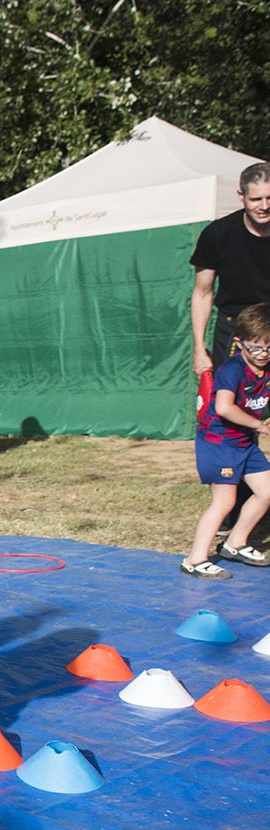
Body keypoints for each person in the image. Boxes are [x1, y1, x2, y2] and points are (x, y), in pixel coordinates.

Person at [182, 303, 270, 578]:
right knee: (224, 501)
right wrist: (260, 425)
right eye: (256, 348)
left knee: (267, 491)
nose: (263, 354)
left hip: (244, 443)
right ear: (239, 343)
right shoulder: (232, 370)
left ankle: (235, 543)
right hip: (218, 444)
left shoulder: (265, 369)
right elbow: (223, 408)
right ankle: (195, 560)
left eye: (269, 347)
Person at [190, 162, 270, 375]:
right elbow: (202, 292)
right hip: (235, 328)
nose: (264, 206)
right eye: (255, 199)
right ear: (240, 196)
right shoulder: (216, 234)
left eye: (269, 198)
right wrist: (199, 349)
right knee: (227, 402)